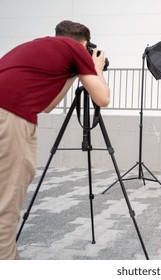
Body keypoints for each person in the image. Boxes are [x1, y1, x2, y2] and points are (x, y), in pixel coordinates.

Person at [0, 20, 110, 259]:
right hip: (10, 117)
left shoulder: (39, 46)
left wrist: (74, 73)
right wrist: (96, 68)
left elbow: (48, 106)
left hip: (7, 111)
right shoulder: (76, 49)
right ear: (84, 44)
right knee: (6, 203)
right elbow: (103, 98)